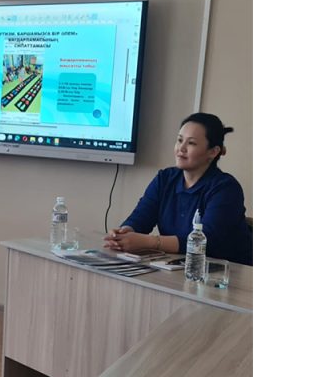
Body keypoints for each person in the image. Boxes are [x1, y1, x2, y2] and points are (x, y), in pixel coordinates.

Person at [104, 112, 252, 265]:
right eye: (180, 140)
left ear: (213, 152)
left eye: (191, 143)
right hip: (180, 266)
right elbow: (141, 218)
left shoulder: (226, 188)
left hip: (228, 272)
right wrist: (124, 232)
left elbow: (206, 241)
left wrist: (150, 242)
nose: (181, 148)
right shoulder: (165, 178)